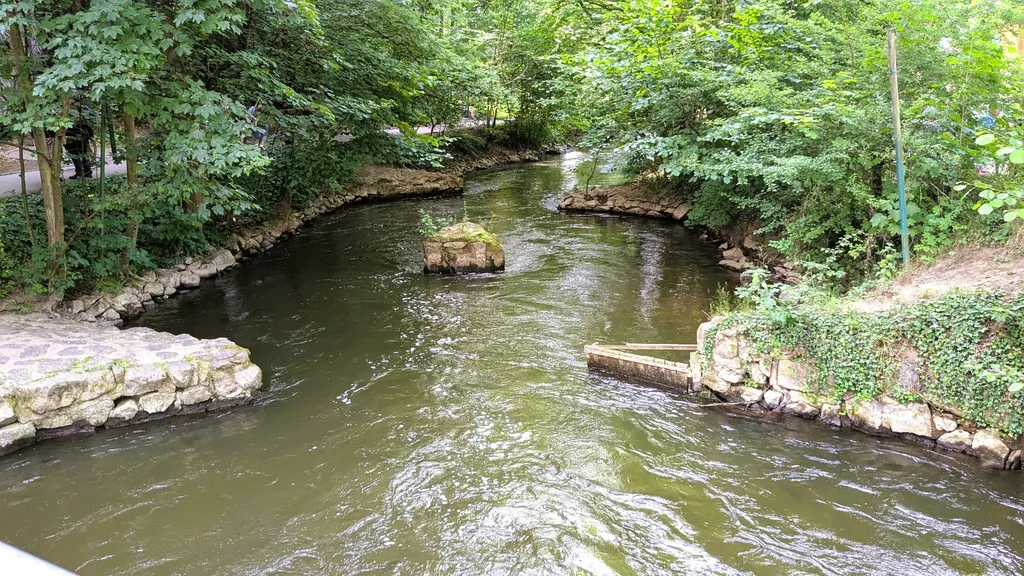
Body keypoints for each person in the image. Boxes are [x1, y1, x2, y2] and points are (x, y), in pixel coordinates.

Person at [65, 102, 94, 179]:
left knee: (74, 154)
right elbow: (92, 117)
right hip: (82, 134)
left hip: (71, 133)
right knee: (84, 152)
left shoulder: (66, 109)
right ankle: (87, 172)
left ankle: (79, 172)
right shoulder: (84, 107)